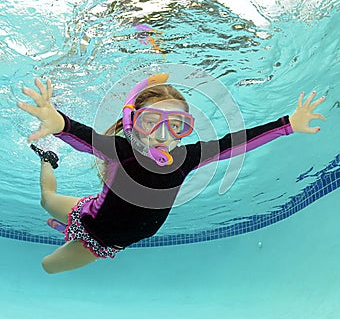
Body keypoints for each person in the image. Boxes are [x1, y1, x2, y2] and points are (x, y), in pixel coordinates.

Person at [17, 75, 326, 274]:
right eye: (151, 121)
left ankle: (68, 230)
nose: (163, 134)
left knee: (48, 266)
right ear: (133, 124)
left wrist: (288, 123)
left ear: (184, 130)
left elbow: (235, 143)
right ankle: (47, 160)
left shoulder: (185, 158)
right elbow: (85, 136)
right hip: (91, 217)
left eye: (176, 124)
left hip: (100, 242)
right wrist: (58, 123)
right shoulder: (123, 151)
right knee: (47, 200)